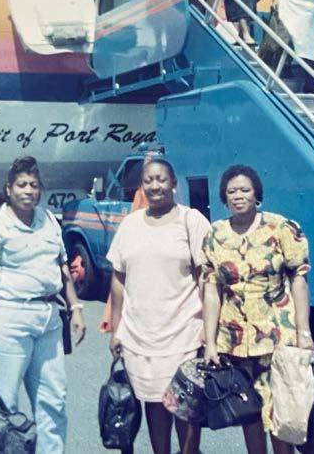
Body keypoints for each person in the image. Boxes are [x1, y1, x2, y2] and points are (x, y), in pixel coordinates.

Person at [0, 156, 86, 454]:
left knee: (53, 400)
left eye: (34, 185)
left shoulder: (48, 220)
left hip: (49, 318)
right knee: (5, 406)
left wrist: (75, 307)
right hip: (10, 318)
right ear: (8, 189)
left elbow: (62, 267)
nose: (28, 191)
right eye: (21, 185)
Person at [201, 165, 314, 454]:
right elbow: (212, 289)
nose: (238, 196)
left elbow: (298, 279)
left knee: (280, 412)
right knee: (248, 412)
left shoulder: (281, 228)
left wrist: (304, 331)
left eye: (245, 190)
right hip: (234, 342)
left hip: (278, 339)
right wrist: (210, 342)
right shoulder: (215, 234)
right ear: (224, 197)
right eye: (231, 191)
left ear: (256, 194)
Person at [107, 159, 211, 454]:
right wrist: (116, 329)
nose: (155, 186)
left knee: (185, 405)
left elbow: (206, 279)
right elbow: (118, 280)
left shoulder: (191, 221)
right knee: (154, 403)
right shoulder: (130, 225)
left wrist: (208, 328)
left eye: (161, 179)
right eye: (149, 180)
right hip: (140, 336)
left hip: (184, 333)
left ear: (174, 183)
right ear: (142, 186)